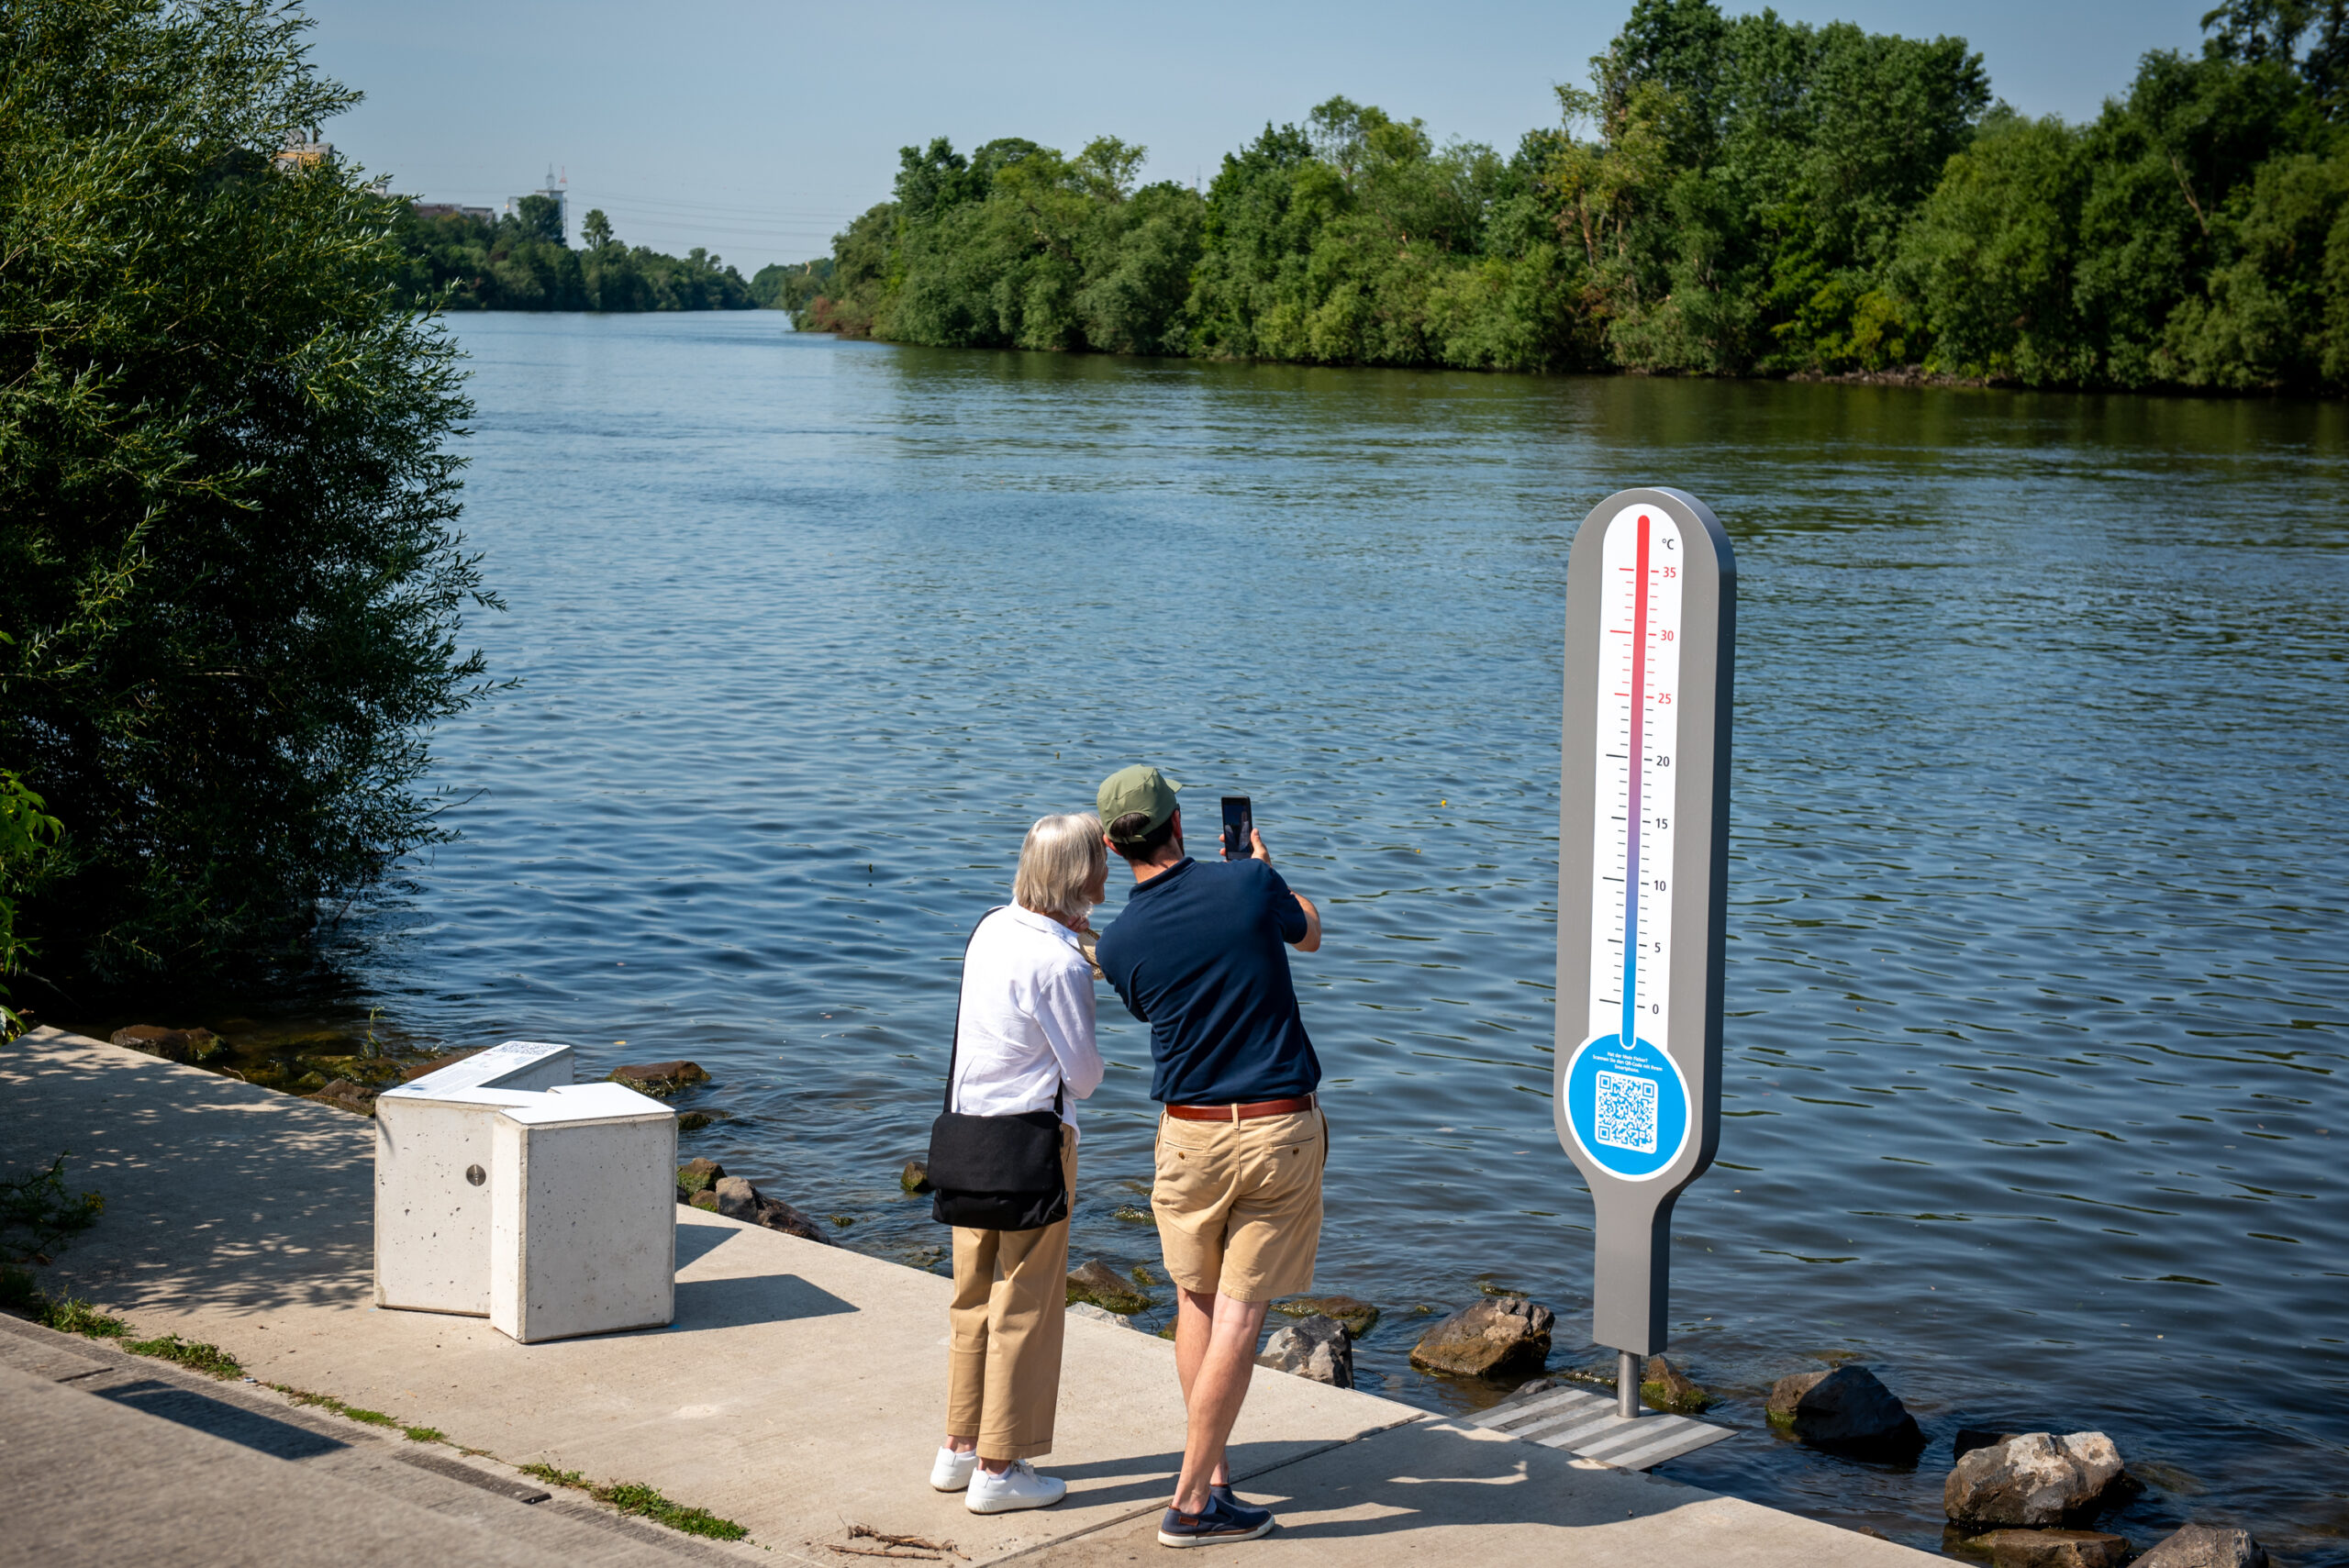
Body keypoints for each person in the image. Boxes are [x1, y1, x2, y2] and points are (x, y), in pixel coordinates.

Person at [1091, 766, 1324, 1550]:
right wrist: (1266, 869)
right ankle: (1192, 1500)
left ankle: (1216, 1476)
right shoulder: (1249, 883)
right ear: (1180, 821)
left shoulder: (1116, 943)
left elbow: (1152, 1003)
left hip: (1188, 1135)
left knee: (1195, 1300)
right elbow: (1310, 931)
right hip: (1276, 1128)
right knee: (1242, 1312)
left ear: (1111, 845)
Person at [930, 812, 1108, 1514]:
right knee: (1025, 1304)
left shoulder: (989, 928)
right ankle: (1000, 1467)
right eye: (1099, 860)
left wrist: (1080, 939)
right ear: (1079, 875)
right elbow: (1085, 1077)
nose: (1108, 869)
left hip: (969, 1137)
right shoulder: (1061, 964)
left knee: (972, 1297)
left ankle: (958, 1447)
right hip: (1033, 1145)